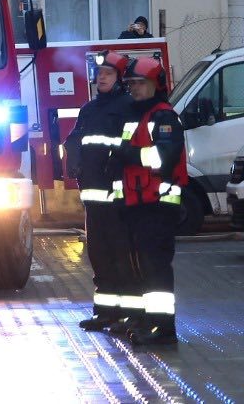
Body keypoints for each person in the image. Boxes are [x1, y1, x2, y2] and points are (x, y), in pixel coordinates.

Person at [114, 56, 187, 346]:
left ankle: (164, 329)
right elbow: (124, 164)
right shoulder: (138, 117)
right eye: (131, 83)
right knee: (144, 267)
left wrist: (127, 155)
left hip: (158, 205)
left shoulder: (164, 117)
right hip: (139, 204)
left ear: (155, 84)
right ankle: (151, 321)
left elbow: (162, 157)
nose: (134, 88)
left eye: (140, 83)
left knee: (155, 267)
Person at [63, 56, 137, 330]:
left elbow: (131, 146)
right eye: (99, 73)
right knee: (99, 255)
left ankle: (128, 315)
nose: (102, 77)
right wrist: (73, 159)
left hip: (119, 198)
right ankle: (105, 312)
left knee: (122, 255)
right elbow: (74, 137)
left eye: (109, 73)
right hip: (93, 198)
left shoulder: (128, 107)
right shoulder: (89, 109)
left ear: (120, 78)